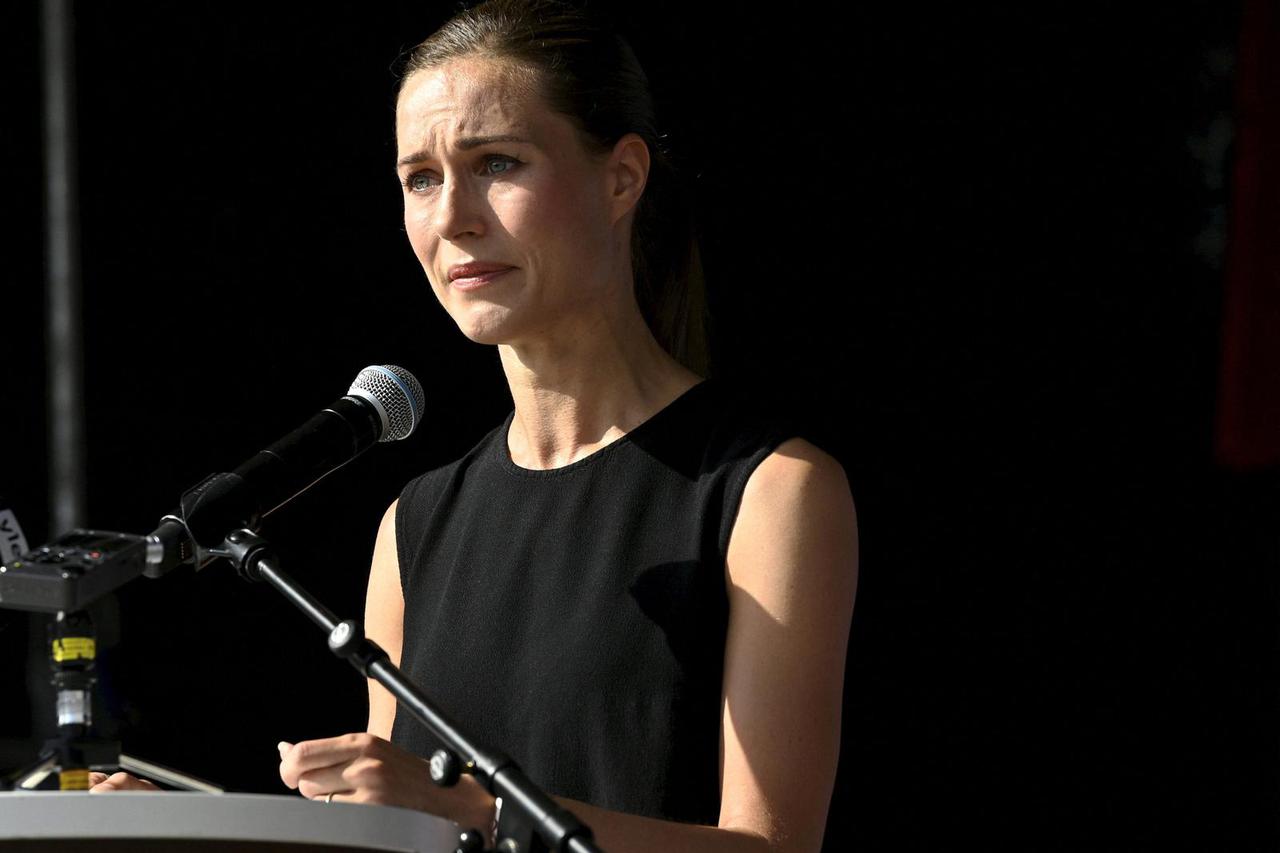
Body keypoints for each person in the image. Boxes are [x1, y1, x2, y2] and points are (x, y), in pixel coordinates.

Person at [92, 2, 858, 850]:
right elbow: (389, 834)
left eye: (497, 162)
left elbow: (775, 845)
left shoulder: (770, 490)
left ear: (622, 178)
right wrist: (189, 832)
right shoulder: (412, 525)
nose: (454, 215)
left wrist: (484, 815)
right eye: (420, 177)